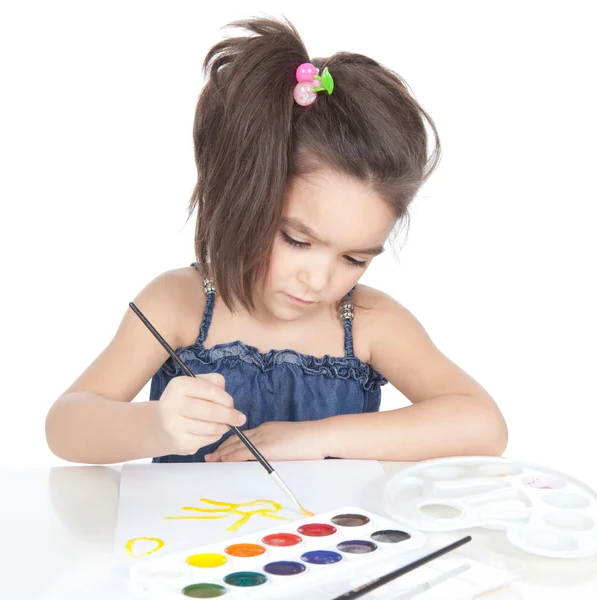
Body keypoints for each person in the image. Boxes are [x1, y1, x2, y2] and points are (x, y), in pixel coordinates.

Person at [45, 17, 507, 465]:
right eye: (297, 241)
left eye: (353, 258)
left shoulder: (368, 322)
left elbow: (483, 425)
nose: (319, 279)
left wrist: (313, 439)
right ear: (241, 201)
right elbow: (65, 427)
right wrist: (154, 426)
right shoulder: (178, 304)